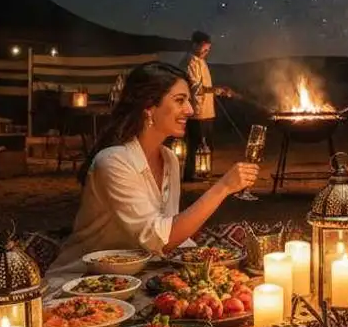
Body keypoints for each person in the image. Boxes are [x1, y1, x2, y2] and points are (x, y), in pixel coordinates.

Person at [46, 62, 258, 281]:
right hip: (83, 282)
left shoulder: (169, 159)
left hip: (140, 276)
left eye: (188, 100)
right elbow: (159, 239)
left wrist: (210, 258)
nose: (190, 110)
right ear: (149, 107)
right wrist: (223, 188)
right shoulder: (113, 162)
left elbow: (169, 233)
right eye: (179, 100)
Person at [180, 30, 235, 181]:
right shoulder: (190, 62)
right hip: (196, 112)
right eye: (204, 48)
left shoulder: (201, 61)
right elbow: (195, 87)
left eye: (208, 49)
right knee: (196, 144)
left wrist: (217, 90)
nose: (206, 52)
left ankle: (205, 171)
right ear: (195, 45)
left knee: (208, 144)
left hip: (207, 111)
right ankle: (191, 174)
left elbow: (204, 85)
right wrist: (216, 90)